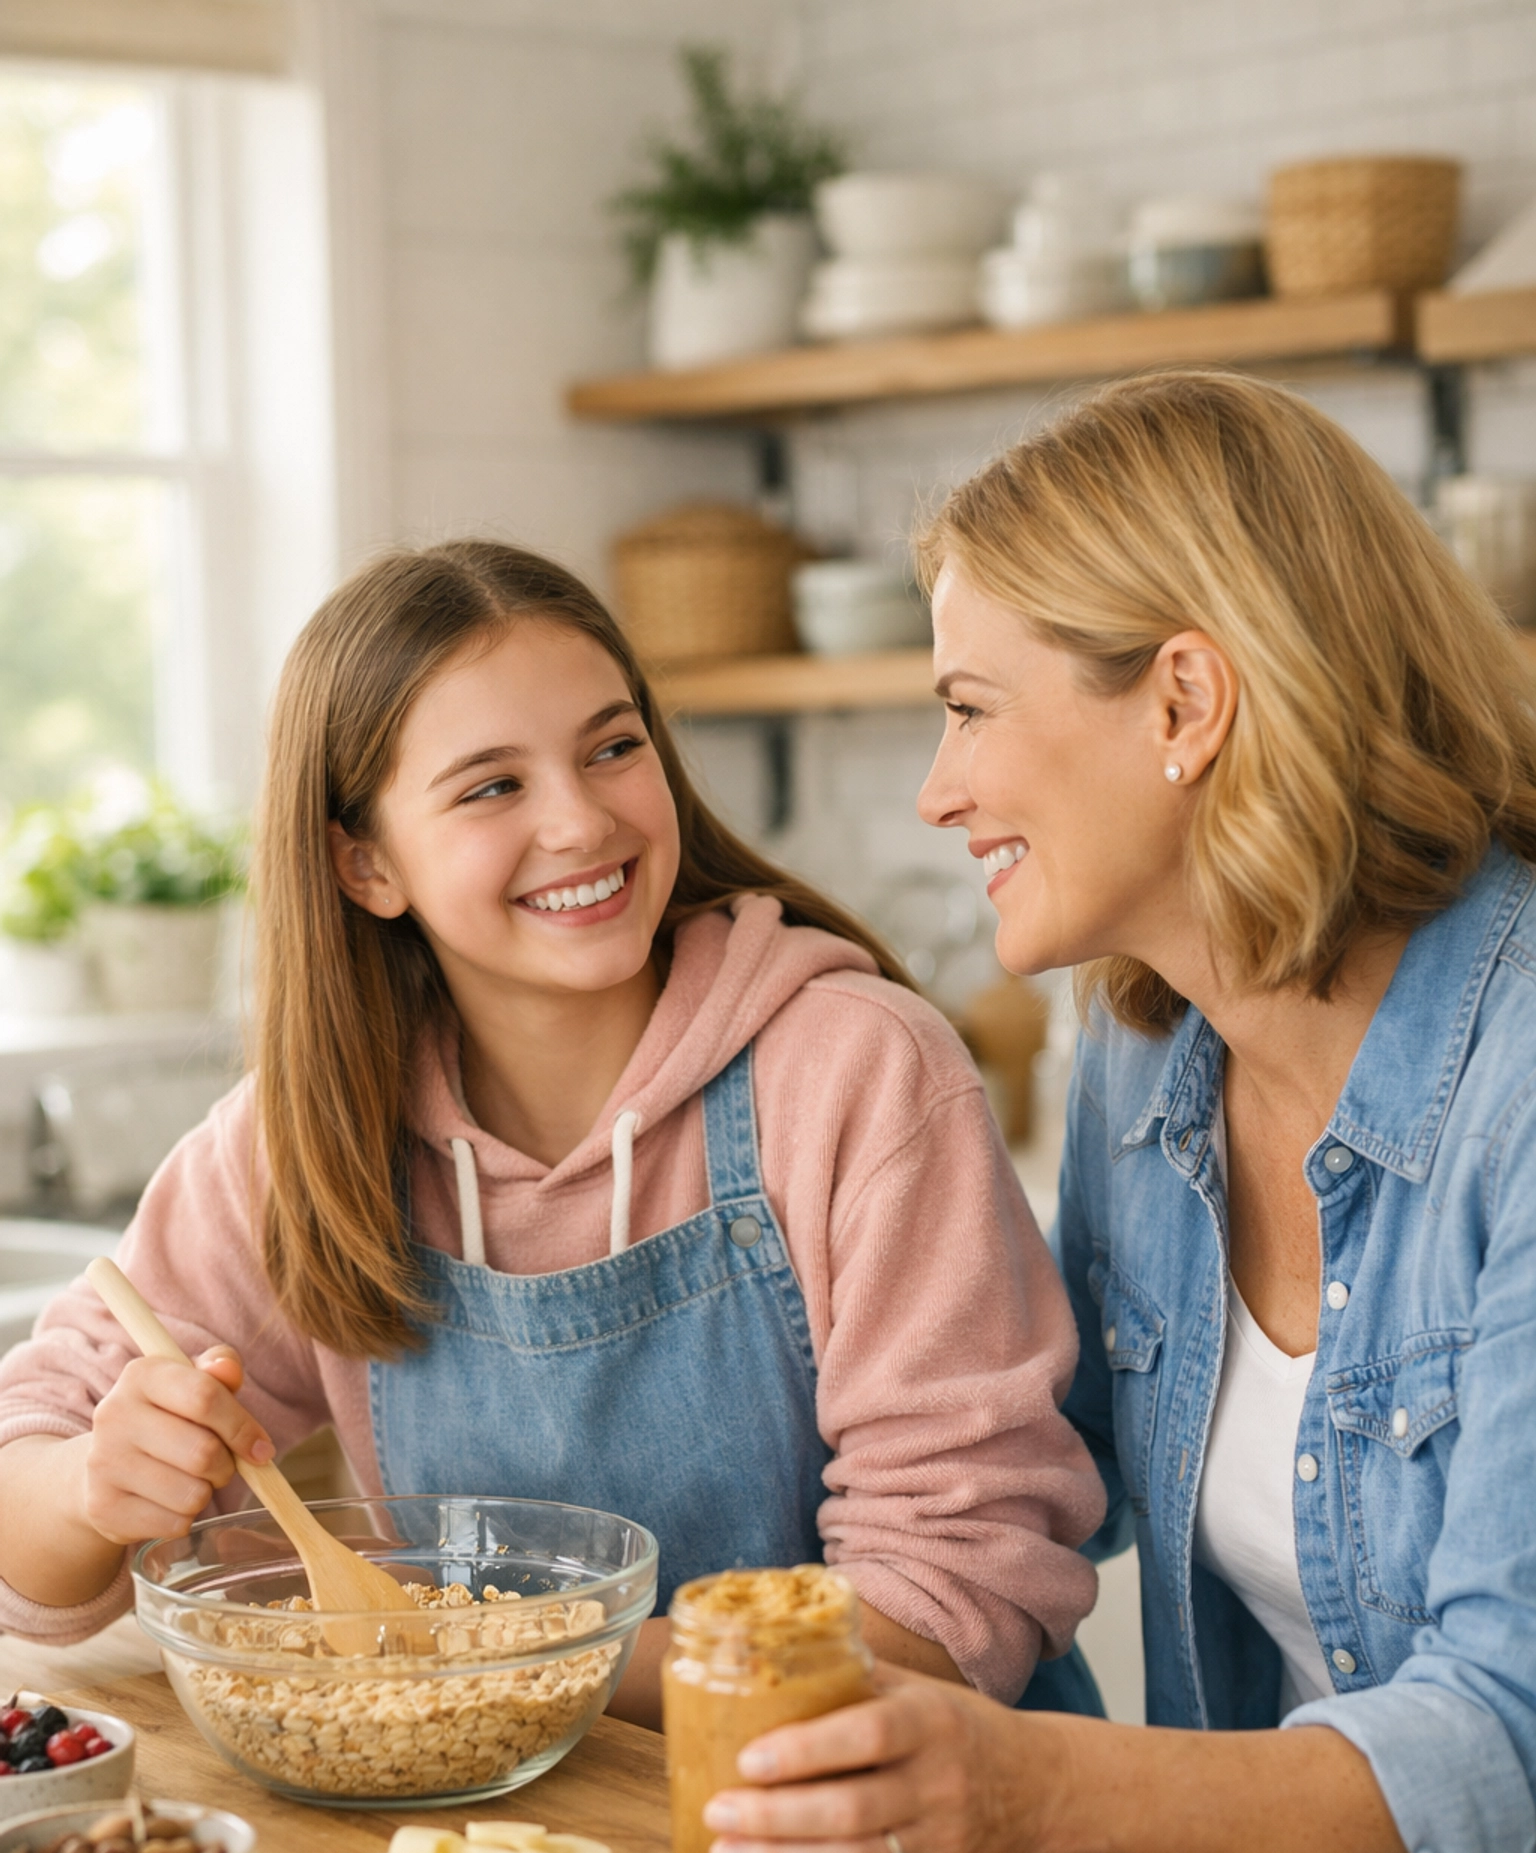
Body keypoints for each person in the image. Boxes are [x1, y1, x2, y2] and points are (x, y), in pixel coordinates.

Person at [697, 374, 1536, 1853]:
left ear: (1182, 701)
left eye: (970, 708)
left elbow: (1502, 1734)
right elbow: (1001, 1496)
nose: (936, 788)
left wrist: (1016, 1783)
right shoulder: (1147, 1051)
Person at [0, 541, 1104, 1726]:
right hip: (529, 1827)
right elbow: (29, 1520)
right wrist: (89, 1488)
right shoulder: (311, 1137)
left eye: (613, 747)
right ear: (364, 864)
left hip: (892, 1823)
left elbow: (951, 1602)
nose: (582, 821)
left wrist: (480, 1669)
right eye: (491, 786)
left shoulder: (853, 1069)